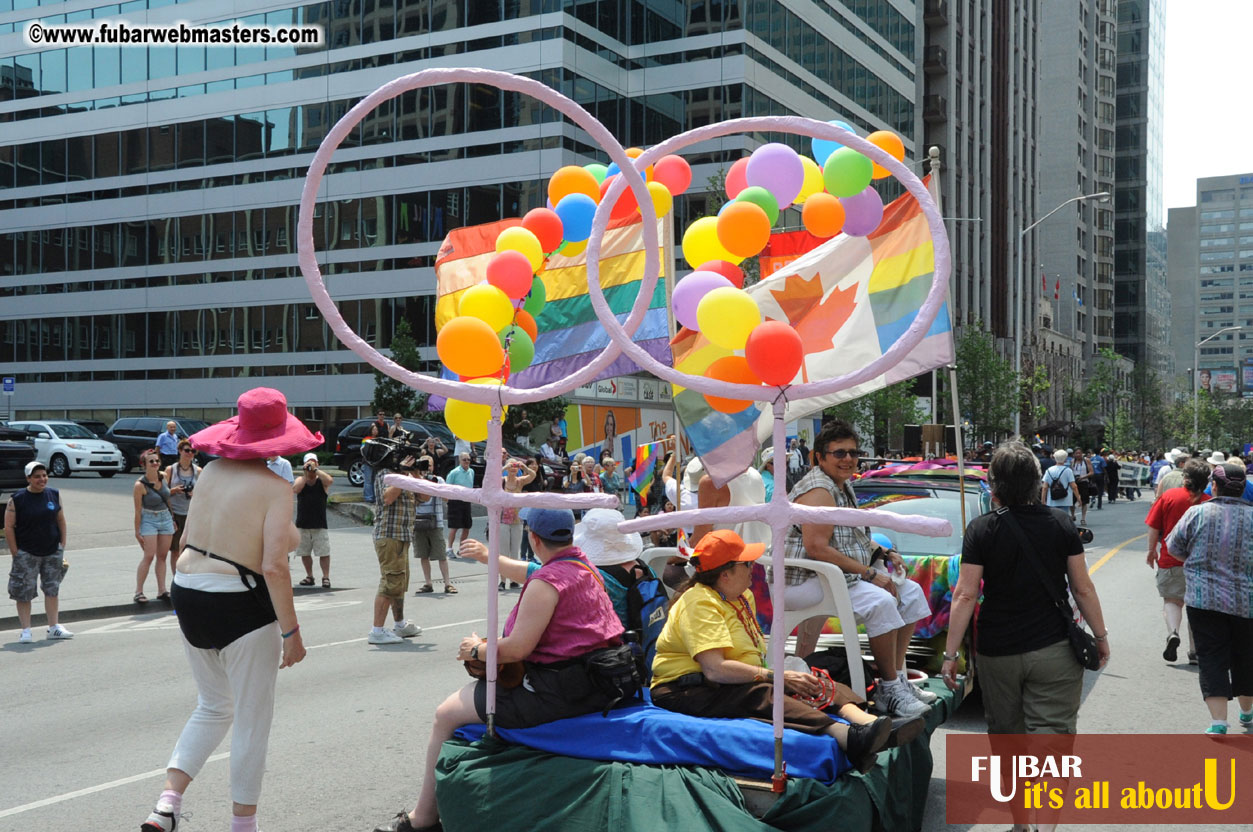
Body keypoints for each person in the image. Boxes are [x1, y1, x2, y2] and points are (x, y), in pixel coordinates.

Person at [375, 508, 626, 832]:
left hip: (556, 693)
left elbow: (518, 647)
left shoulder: (546, 583)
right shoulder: (584, 568)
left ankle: (422, 819)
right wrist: (486, 556)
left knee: (445, 713)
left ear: (533, 538)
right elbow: (530, 571)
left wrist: (475, 649)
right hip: (594, 684)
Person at [139, 387, 320, 832]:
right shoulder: (277, 488)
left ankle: (167, 803)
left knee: (214, 705)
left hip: (188, 589)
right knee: (252, 719)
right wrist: (291, 633)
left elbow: (186, 540)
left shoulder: (212, 472)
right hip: (238, 601)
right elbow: (275, 566)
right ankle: (244, 825)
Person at [650, 530, 903, 775]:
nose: (753, 568)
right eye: (747, 563)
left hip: (724, 681)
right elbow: (715, 669)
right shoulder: (699, 602)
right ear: (725, 574)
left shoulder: (740, 595)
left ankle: (867, 722)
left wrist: (785, 675)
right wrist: (775, 676)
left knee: (812, 672)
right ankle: (848, 737)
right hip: (684, 690)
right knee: (763, 692)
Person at [942, 443, 1109, 739]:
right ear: (1036, 481)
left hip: (997, 651)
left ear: (994, 484)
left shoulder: (981, 529)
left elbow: (965, 595)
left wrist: (950, 655)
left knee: (1005, 734)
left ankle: (1013, 785)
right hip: (1054, 649)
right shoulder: (1061, 524)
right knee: (1052, 733)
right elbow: (1082, 589)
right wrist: (1100, 636)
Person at [778, 419, 934, 719]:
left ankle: (897, 679)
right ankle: (888, 688)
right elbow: (817, 548)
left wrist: (883, 552)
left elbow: (852, 537)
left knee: (911, 592)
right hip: (804, 580)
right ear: (819, 457)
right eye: (839, 453)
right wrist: (870, 573)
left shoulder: (841, 484)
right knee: (881, 601)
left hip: (831, 575)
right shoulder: (819, 490)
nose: (848, 459)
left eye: (852, 452)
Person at [1165, 462, 1253, 734]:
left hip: (1205, 601)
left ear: (1213, 486)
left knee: (1211, 656)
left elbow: (1173, 547)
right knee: (1247, 657)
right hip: (1247, 603)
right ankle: (1247, 713)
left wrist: (1196, 562)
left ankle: (1218, 722)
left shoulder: (1197, 513)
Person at [1146, 459, 1210, 665]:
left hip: (1170, 558)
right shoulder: (1210, 502)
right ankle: (1195, 652)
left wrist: (1151, 551)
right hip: (1202, 563)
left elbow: (1154, 526)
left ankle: (1173, 632)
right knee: (1196, 606)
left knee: (1172, 601)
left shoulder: (1168, 496)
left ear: (1185, 478)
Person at [5, 460, 72, 643]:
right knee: (23, 592)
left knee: (52, 589)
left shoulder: (53, 495)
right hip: (27, 552)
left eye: (44, 475)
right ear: (28, 478)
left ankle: (53, 627)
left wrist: (62, 545)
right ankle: (26, 630)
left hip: (51, 551)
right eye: (37, 477)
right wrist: (15, 552)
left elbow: (61, 520)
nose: (42, 479)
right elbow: (9, 527)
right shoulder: (17, 499)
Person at [370, 454, 424, 645]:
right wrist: (402, 474)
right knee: (390, 581)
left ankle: (399, 625)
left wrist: (416, 474)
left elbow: (425, 496)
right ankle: (376, 631)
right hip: (389, 535)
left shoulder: (407, 477)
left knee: (398, 583)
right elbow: (388, 498)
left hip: (402, 537)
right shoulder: (385, 474)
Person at [134, 448, 176, 604]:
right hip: (149, 519)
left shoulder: (164, 477)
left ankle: (162, 590)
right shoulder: (139, 485)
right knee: (149, 555)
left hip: (165, 518)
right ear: (144, 464)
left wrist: (172, 518)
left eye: (157, 460)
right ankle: (139, 591)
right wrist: (137, 532)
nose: (155, 463)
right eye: (151, 461)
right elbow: (138, 511)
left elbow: (168, 499)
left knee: (163, 556)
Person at [412, 456, 455, 595]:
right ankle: (428, 583)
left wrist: (431, 485)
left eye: (429, 465)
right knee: (423, 554)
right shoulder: (413, 480)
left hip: (435, 521)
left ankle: (447, 583)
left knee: (441, 554)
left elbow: (446, 498)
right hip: (418, 521)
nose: (427, 468)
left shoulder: (438, 480)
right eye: (423, 465)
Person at [294, 452, 333, 589]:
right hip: (303, 524)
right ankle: (309, 576)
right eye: (308, 462)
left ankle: (326, 577)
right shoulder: (301, 480)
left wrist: (316, 471)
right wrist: (306, 473)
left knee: (324, 552)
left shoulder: (322, 481)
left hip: (319, 524)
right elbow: (296, 489)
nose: (311, 465)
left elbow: (329, 481)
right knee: (304, 552)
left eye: (313, 462)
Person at [164, 439, 201, 582]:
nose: (190, 454)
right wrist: (173, 491)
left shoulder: (198, 471)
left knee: (191, 549)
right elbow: (162, 492)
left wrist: (195, 494)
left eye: (193, 451)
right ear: (180, 451)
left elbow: (205, 493)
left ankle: (189, 577)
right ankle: (176, 578)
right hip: (175, 514)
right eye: (187, 450)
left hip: (192, 514)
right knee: (175, 550)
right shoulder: (170, 470)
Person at [496, 457, 536, 589]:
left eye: (514, 466)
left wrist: (524, 467)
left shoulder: (520, 482)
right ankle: (502, 580)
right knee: (503, 551)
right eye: (510, 466)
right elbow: (491, 478)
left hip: (517, 521)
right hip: (502, 520)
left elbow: (533, 475)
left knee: (514, 552)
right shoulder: (501, 481)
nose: (513, 468)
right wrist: (504, 468)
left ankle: (514, 579)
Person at [445, 453, 475, 558]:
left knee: (467, 526)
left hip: (467, 501)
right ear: (460, 460)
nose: (467, 462)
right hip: (455, 501)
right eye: (464, 460)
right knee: (454, 527)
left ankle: (462, 549)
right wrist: (448, 500)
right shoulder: (454, 473)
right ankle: (449, 548)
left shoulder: (471, 471)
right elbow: (447, 487)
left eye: (468, 460)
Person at [362, 409, 388, 504]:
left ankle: (374, 497)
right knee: (368, 481)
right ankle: (368, 497)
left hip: (376, 463)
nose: (375, 431)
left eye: (376, 429)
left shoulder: (378, 440)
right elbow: (363, 451)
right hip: (368, 462)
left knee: (374, 480)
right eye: (374, 429)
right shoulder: (366, 439)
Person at [1041, 449, 1078, 513]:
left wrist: (1043, 500)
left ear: (1054, 458)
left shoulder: (1049, 470)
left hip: (1052, 500)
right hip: (1065, 500)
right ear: (1065, 459)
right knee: (1063, 518)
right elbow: (1074, 486)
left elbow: (1044, 487)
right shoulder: (1068, 470)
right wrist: (1078, 498)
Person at [1068, 449, 1092, 524]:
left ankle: (1083, 518)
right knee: (1071, 501)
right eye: (1076, 453)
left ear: (1082, 454)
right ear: (1074, 454)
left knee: (1084, 501)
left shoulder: (1086, 460)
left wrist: (1082, 477)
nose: (1078, 455)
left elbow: (1091, 472)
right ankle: (1072, 515)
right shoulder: (1072, 462)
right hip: (1074, 482)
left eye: (1079, 453)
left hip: (1084, 482)